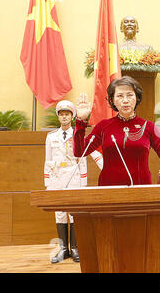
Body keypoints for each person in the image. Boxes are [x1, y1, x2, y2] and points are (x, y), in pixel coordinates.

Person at [73, 76, 160, 187]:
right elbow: (80, 152)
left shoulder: (148, 126)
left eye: (130, 95)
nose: (125, 100)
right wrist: (81, 121)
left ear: (137, 98)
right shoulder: (104, 126)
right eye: (120, 96)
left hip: (141, 188)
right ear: (112, 100)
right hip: (109, 189)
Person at [44, 100, 103, 263]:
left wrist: (106, 166)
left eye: (67, 114)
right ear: (58, 116)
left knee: (74, 213)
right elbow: (47, 160)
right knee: (60, 213)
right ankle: (63, 249)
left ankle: (76, 248)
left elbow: (92, 154)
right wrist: (47, 182)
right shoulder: (51, 137)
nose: (64, 117)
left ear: (72, 117)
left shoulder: (78, 134)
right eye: (61, 114)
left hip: (74, 176)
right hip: (57, 178)